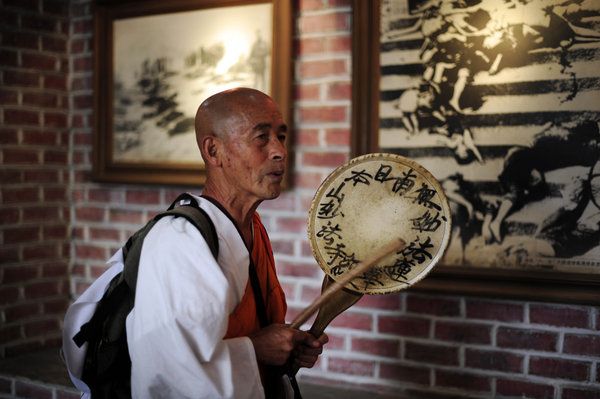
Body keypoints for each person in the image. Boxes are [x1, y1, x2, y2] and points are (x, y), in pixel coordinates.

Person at [127, 87, 328, 398]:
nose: (279, 151)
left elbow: (248, 329)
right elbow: (167, 372)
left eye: (281, 137)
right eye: (261, 137)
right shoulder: (179, 242)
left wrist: (284, 346)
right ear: (213, 151)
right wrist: (257, 349)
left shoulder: (253, 227)